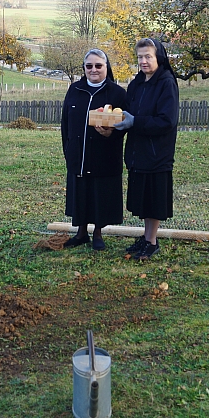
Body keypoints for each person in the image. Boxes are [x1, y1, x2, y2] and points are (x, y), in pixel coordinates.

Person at [113, 38, 179, 260]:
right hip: (137, 150)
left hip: (157, 151)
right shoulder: (136, 83)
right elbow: (129, 112)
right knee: (143, 199)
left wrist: (135, 122)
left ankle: (151, 241)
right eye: (140, 57)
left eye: (148, 56)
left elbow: (166, 121)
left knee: (154, 199)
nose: (143, 61)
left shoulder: (166, 83)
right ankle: (146, 236)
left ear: (158, 57)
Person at [60, 48, 128, 251]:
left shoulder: (117, 93)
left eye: (98, 65)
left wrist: (111, 134)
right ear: (84, 68)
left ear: (106, 67)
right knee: (81, 192)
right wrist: (68, 149)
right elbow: (65, 123)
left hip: (105, 154)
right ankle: (81, 233)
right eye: (89, 66)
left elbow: (125, 125)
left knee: (100, 193)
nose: (94, 70)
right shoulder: (75, 89)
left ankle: (98, 233)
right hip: (78, 153)